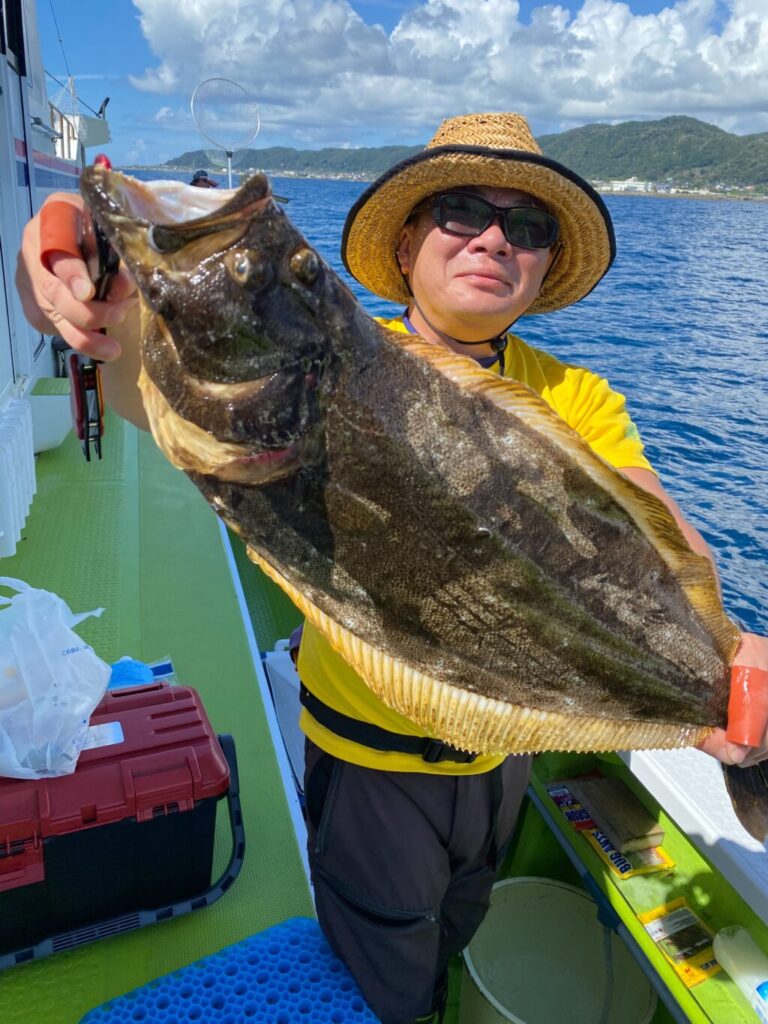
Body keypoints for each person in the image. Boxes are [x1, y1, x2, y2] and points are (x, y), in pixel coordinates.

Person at [15, 112, 768, 1024]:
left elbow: (659, 537)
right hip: (371, 769)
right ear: (406, 245)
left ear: (542, 268)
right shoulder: (325, 350)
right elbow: (119, 343)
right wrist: (60, 244)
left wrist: (728, 662)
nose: (493, 238)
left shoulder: (578, 398)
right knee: (385, 969)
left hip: (505, 759)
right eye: (461, 212)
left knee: (463, 918)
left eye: (527, 226)